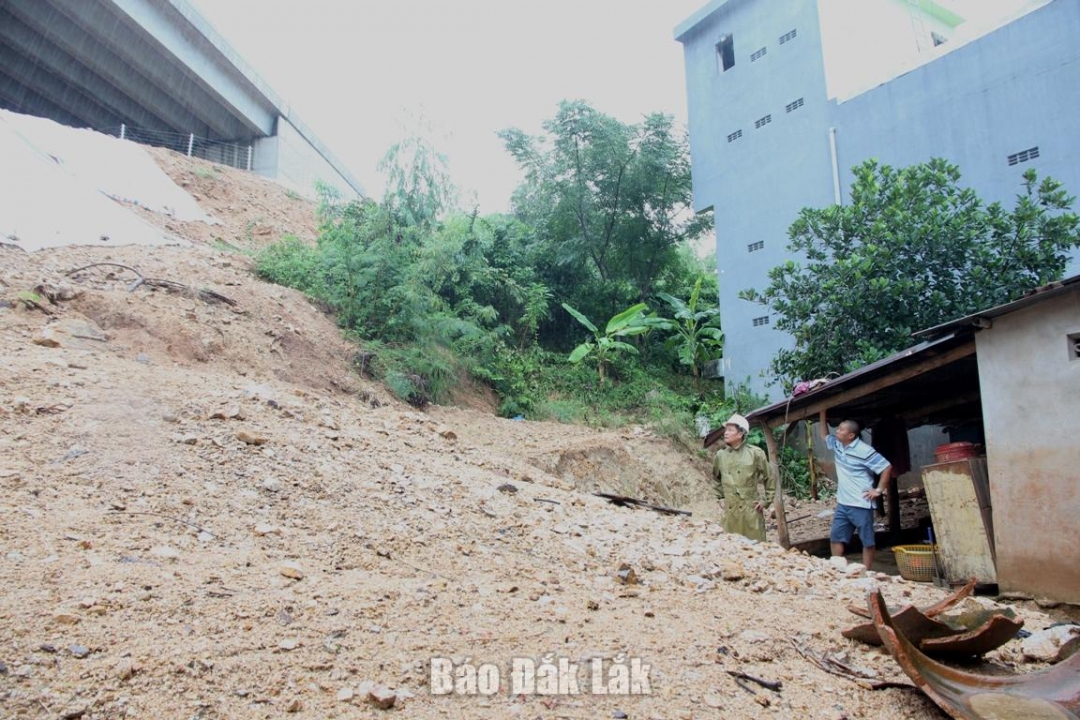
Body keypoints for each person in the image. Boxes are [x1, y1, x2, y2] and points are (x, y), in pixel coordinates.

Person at [818, 410, 893, 570]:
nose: (837, 431)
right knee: (836, 537)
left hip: (861, 503)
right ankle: (837, 569)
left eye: (841, 429)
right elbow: (824, 435)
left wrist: (879, 490)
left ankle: (866, 571)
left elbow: (886, 467)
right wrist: (822, 412)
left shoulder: (864, 451)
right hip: (843, 503)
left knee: (867, 540)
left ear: (851, 435)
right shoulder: (838, 444)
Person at [712, 413, 773, 542]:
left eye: (730, 430)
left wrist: (765, 501)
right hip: (730, 511)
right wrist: (720, 497)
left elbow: (769, 477)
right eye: (726, 430)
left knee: (755, 547)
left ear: (740, 433)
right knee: (731, 547)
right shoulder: (720, 456)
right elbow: (716, 478)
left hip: (750, 510)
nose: (726, 433)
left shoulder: (755, 453)